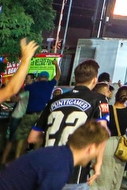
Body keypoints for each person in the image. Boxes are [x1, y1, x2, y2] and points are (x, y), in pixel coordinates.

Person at [28, 58, 109, 186]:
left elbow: (32, 138)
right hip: (75, 171)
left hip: (47, 167)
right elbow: (102, 133)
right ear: (95, 79)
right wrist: (98, 164)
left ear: (75, 78)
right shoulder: (98, 99)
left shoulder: (54, 101)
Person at [0, 120, 108, 190]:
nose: (97, 155)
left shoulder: (59, 155)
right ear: (91, 148)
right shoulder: (60, 167)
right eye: (99, 150)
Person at [93, 80, 127, 190]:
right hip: (122, 144)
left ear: (116, 96)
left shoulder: (107, 109)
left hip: (106, 142)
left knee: (103, 172)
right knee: (117, 172)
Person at [16, 62, 60, 159]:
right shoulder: (50, 84)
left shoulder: (31, 86)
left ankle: (17, 159)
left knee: (22, 138)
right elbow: (58, 75)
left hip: (29, 114)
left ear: (38, 78)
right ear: (47, 78)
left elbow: (19, 94)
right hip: (41, 116)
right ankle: (34, 159)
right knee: (38, 138)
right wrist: (56, 64)